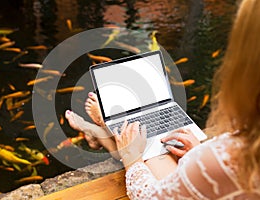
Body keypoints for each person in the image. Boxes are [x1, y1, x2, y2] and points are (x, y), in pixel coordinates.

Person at [66, 0, 260, 198]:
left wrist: (132, 159)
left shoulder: (220, 161)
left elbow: (152, 196)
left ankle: (104, 130)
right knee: (152, 145)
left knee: (146, 152)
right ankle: (103, 132)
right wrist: (198, 152)